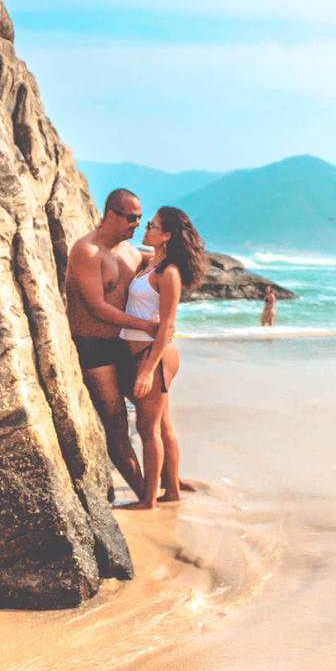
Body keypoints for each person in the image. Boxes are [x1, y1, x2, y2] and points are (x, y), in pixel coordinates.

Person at [66, 188, 157, 501]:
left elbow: (163, 271)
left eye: (140, 219)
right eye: (131, 218)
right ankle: (145, 494)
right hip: (93, 347)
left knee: (152, 415)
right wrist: (146, 326)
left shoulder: (131, 253)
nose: (136, 224)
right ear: (111, 215)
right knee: (116, 424)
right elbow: (96, 307)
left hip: (122, 345)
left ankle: (164, 482)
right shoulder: (87, 251)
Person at [118, 206, 207, 510]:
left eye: (153, 226)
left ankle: (148, 501)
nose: (146, 229)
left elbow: (168, 323)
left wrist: (146, 370)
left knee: (148, 428)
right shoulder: (150, 263)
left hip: (152, 355)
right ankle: (172, 491)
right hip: (146, 352)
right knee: (164, 424)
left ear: (166, 235)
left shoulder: (168, 273)